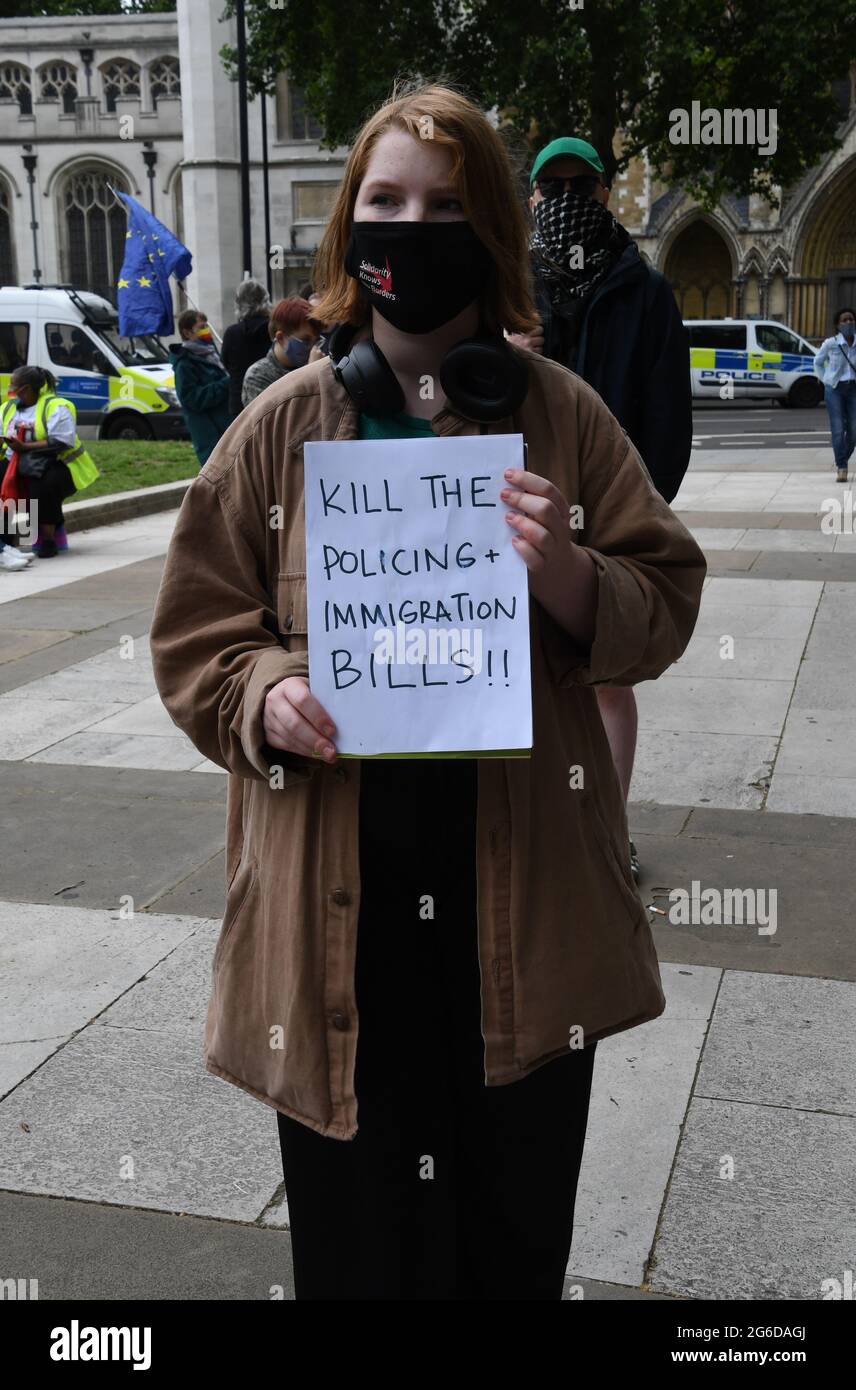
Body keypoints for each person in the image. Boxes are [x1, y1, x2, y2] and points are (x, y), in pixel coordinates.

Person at [150, 81, 705, 1301]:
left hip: (523, 919)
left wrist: (565, 570)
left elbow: (663, 600)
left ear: (492, 232)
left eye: (445, 205)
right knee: (358, 1256)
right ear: (350, 229)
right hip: (333, 934)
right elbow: (196, 636)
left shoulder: (565, 418)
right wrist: (265, 695)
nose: (411, 225)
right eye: (385, 200)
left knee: (510, 1248)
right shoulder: (280, 426)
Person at [507, 137, 693, 881]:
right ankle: (530, 828)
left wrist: (636, 506)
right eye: (553, 187)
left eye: (582, 184)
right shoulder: (512, 287)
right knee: (522, 671)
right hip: (518, 507)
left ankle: (608, 831)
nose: (567, 198)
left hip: (606, 513)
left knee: (609, 677)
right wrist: (505, 347)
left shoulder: (643, 290)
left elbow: (667, 416)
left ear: (607, 192)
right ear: (532, 199)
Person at [0, 365, 99, 559]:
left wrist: (26, 447)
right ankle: (12, 538)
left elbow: (61, 442)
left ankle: (48, 539)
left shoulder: (56, 407)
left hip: (58, 464)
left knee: (41, 484)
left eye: (14, 384)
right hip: (16, 462)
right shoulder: (7, 408)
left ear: (26, 389)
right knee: (7, 482)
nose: (10, 388)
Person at [169, 310, 232, 468]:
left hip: (225, 428)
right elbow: (192, 399)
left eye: (207, 326)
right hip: (210, 435)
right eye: (201, 327)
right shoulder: (185, 364)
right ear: (187, 332)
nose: (206, 331)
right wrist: (225, 384)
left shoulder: (210, 354)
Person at [240, 297, 316, 407]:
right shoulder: (257, 376)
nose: (313, 347)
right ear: (281, 338)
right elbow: (280, 421)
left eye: (317, 340)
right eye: (306, 340)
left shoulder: (312, 363)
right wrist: (312, 376)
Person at [814, 307, 856, 482]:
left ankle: (841, 459)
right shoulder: (831, 343)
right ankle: (842, 467)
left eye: (851, 319)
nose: (848, 323)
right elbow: (817, 362)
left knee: (854, 431)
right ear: (838, 325)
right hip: (835, 389)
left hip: (853, 388)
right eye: (844, 320)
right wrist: (826, 380)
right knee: (838, 430)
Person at [221, 278, 273, 419]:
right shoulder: (272, 330)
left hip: (239, 404)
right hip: (270, 399)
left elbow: (225, 362)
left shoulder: (232, 333)